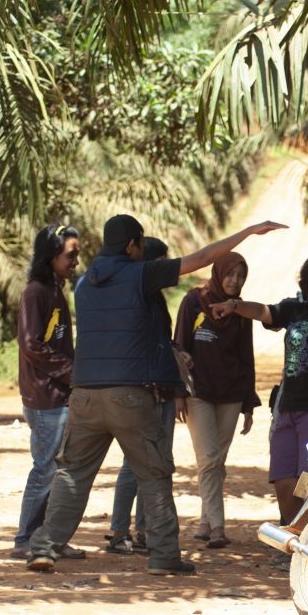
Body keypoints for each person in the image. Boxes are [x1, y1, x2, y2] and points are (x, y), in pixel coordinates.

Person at [26, 215, 286, 576]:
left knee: (72, 474)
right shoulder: (141, 273)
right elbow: (201, 258)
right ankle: (164, 555)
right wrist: (246, 232)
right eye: (140, 244)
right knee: (154, 473)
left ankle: (44, 547)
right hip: (129, 394)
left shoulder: (83, 283)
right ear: (132, 245)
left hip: (84, 393)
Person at [210, 254, 308, 532]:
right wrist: (234, 305)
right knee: (283, 479)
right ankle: (297, 538)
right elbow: (263, 312)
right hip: (288, 407)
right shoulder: (296, 309)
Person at [174, 252, 259, 549]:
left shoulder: (241, 310)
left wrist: (249, 403)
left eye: (240, 276)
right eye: (230, 274)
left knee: (215, 461)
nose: (234, 281)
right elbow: (179, 344)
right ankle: (218, 528)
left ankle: (204, 521)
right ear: (218, 273)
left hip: (232, 395)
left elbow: (246, 357)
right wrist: (179, 393)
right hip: (199, 392)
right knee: (209, 459)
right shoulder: (193, 302)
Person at [12, 224, 85, 561]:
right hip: (44, 398)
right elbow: (30, 344)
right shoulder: (36, 292)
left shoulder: (57, 290)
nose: (76, 262)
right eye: (71, 255)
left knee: (61, 471)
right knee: (44, 469)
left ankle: (51, 538)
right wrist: (70, 373)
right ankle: (26, 539)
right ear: (51, 254)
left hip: (61, 394)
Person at [105, 237, 180, 555]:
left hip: (161, 388)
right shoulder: (138, 299)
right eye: (161, 262)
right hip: (144, 391)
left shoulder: (152, 298)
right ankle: (120, 531)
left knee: (155, 463)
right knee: (134, 464)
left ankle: (143, 531)